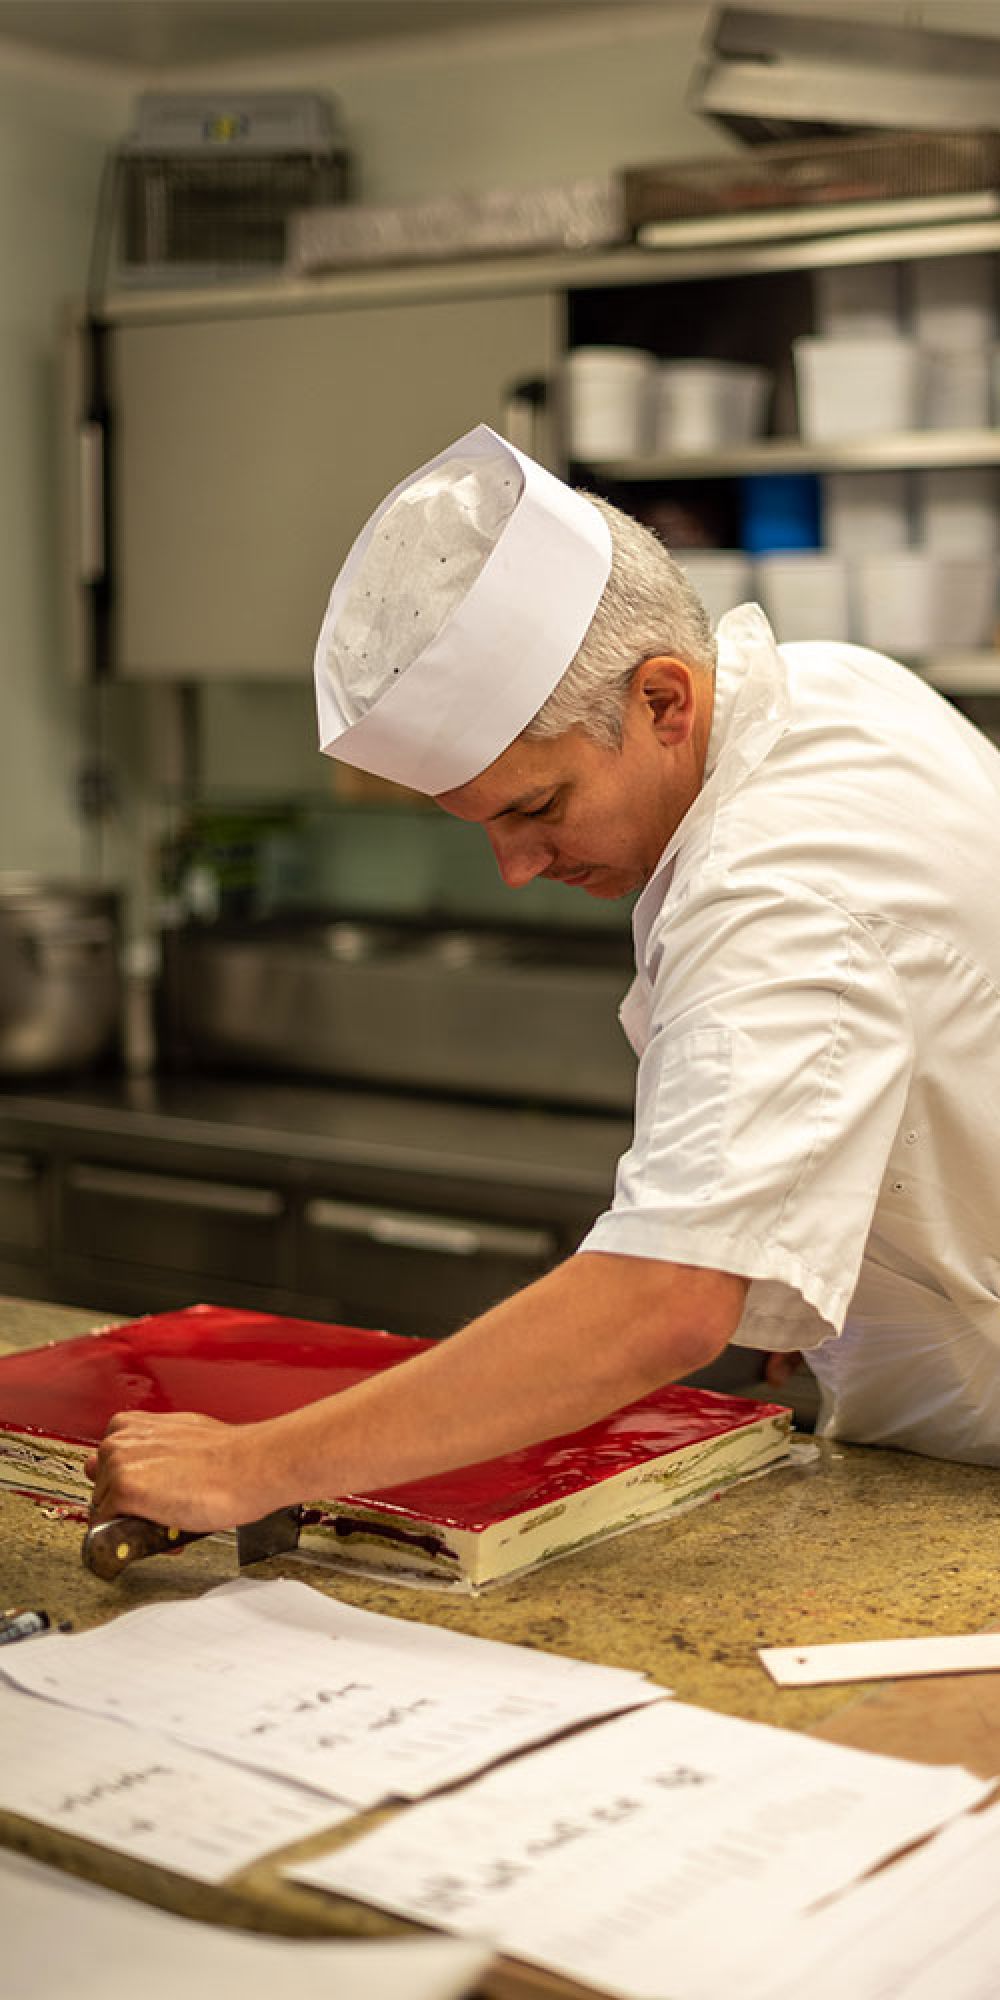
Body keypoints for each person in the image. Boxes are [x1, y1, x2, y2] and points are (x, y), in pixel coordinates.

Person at [87, 423, 1000, 1531]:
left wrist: (247, 1467)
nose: (516, 869)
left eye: (536, 806)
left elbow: (659, 1305)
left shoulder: (777, 887)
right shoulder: (820, 687)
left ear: (665, 700)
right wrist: (805, 1249)